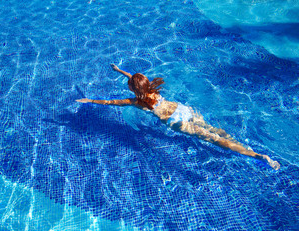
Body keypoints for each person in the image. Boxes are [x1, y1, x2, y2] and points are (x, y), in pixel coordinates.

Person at [76, 64, 280, 170]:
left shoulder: (137, 101)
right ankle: (249, 150)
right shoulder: (151, 88)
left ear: (133, 89)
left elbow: (110, 102)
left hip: (177, 122)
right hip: (183, 109)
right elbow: (134, 78)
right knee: (215, 131)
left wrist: (89, 100)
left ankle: (255, 156)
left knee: (213, 140)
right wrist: (119, 70)